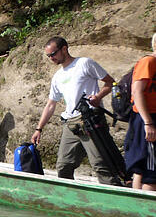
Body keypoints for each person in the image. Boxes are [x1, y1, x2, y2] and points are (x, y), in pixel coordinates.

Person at [31, 36, 116, 183]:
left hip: (90, 119)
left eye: (53, 54)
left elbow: (110, 82)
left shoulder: (84, 63)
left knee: (100, 164)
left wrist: (97, 97)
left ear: (64, 49)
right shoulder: (57, 76)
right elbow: (51, 104)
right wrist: (39, 129)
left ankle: (115, 195)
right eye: (48, 56)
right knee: (63, 165)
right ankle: (68, 197)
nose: (51, 58)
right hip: (70, 123)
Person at [125, 33, 156, 190]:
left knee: (143, 168)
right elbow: (137, 92)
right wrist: (148, 122)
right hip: (147, 117)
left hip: (149, 117)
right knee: (151, 171)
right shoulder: (149, 62)